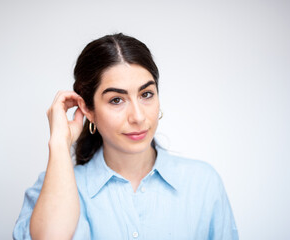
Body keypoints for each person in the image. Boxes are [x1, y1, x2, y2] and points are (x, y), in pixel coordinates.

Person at [13, 33, 239, 240]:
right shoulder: (50, 189)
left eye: (146, 94)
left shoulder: (202, 183)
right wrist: (59, 143)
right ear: (88, 110)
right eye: (116, 100)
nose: (138, 117)